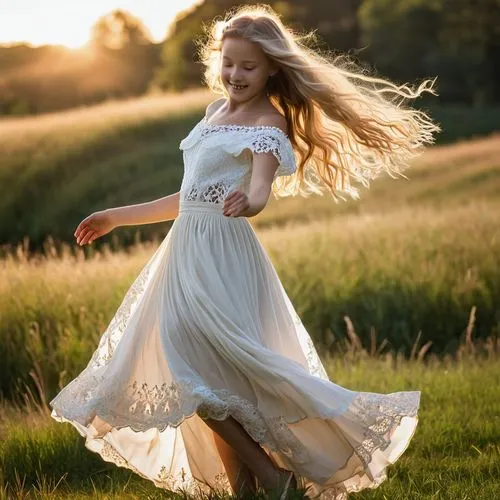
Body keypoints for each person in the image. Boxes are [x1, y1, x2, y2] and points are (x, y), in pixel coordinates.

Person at [50, 4, 439, 500]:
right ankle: (247, 488)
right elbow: (186, 198)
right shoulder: (213, 114)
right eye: (228, 63)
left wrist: (248, 202)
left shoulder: (267, 122)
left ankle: (274, 478)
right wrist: (115, 216)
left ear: (273, 67)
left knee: (196, 372)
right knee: (202, 375)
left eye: (248, 66)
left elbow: (258, 188)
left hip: (224, 258)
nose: (235, 74)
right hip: (183, 256)